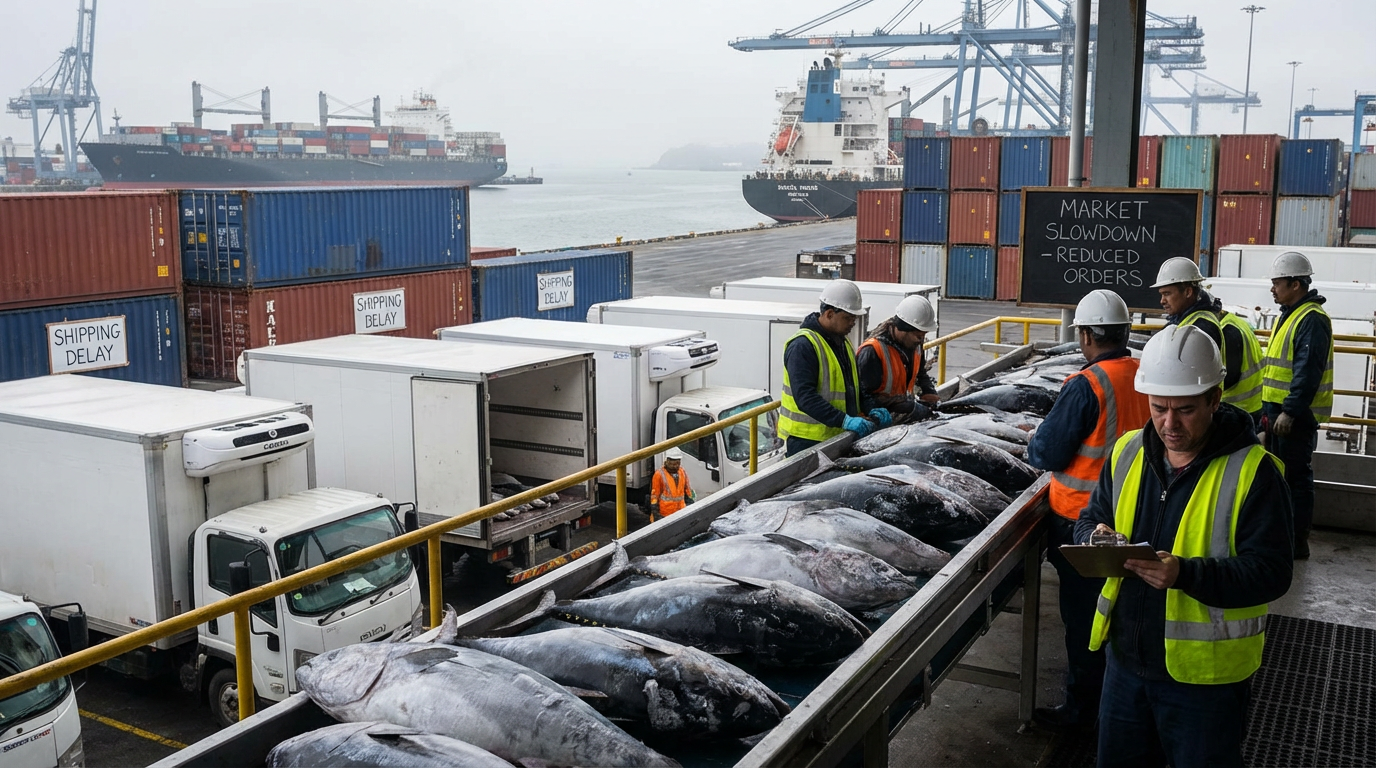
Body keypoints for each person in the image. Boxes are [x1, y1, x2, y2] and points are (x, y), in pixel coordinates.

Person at [1076, 324, 1292, 768]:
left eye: (1187, 410)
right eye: (1159, 409)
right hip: (1124, 664)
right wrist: (1094, 538)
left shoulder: (1256, 473)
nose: (1170, 424)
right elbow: (1088, 519)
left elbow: (1271, 573)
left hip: (1205, 681)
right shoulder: (1125, 453)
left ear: (1216, 399)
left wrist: (1185, 574)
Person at [1026, 288, 1151, 732]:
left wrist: (1033, 438)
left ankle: (1083, 712)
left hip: (1082, 522)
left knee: (1085, 619)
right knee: (1127, 612)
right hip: (1137, 513)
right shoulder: (1143, 372)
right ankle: (1125, 701)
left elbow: (1048, 452)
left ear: (1085, 336)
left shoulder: (1087, 384)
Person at [1261, 250, 1334, 559]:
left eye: (1277, 283)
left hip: (1293, 416)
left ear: (1296, 284)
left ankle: (1295, 542)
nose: (1272, 288)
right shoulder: (1291, 315)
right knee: (1282, 477)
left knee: (1294, 478)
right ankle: (1284, 538)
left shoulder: (1311, 320)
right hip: (1278, 412)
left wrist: (1290, 410)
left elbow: (1307, 369)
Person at [778, 279, 891, 457]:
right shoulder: (803, 345)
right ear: (829, 314)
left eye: (854, 317)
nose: (853, 323)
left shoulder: (842, 342)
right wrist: (844, 420)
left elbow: (854, 385)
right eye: (848, 317)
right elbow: (805, 397)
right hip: (807, 442)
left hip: (838, 436)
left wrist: (871, 407)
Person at [1152, 257, 1264, 421]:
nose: (1162, 300)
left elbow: (1190, 382)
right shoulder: (1192, 320)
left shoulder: (1201, 327)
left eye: (1167, 294)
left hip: (1218, 415)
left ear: (1188, 292)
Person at [856, 294, 940, 420]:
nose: (921, 340)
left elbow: (920, 374)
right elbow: (863, 398)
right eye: (918, 336)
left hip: (900, 418)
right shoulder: (873, 351)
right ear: (903, 328)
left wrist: (928, 391)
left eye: (924, 335)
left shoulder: (915, 345)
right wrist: (908, 406)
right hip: (876, 422)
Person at [649, 448, 694, 519]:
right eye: (673, 464)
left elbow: (687, 490)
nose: (675, 466)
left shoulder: (682, 472)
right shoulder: (659, 474)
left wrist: (690, 503)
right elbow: (655, 495)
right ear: (667, 461)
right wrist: (655, 512)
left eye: (678, 463)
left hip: (681, 511)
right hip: (666, 513)